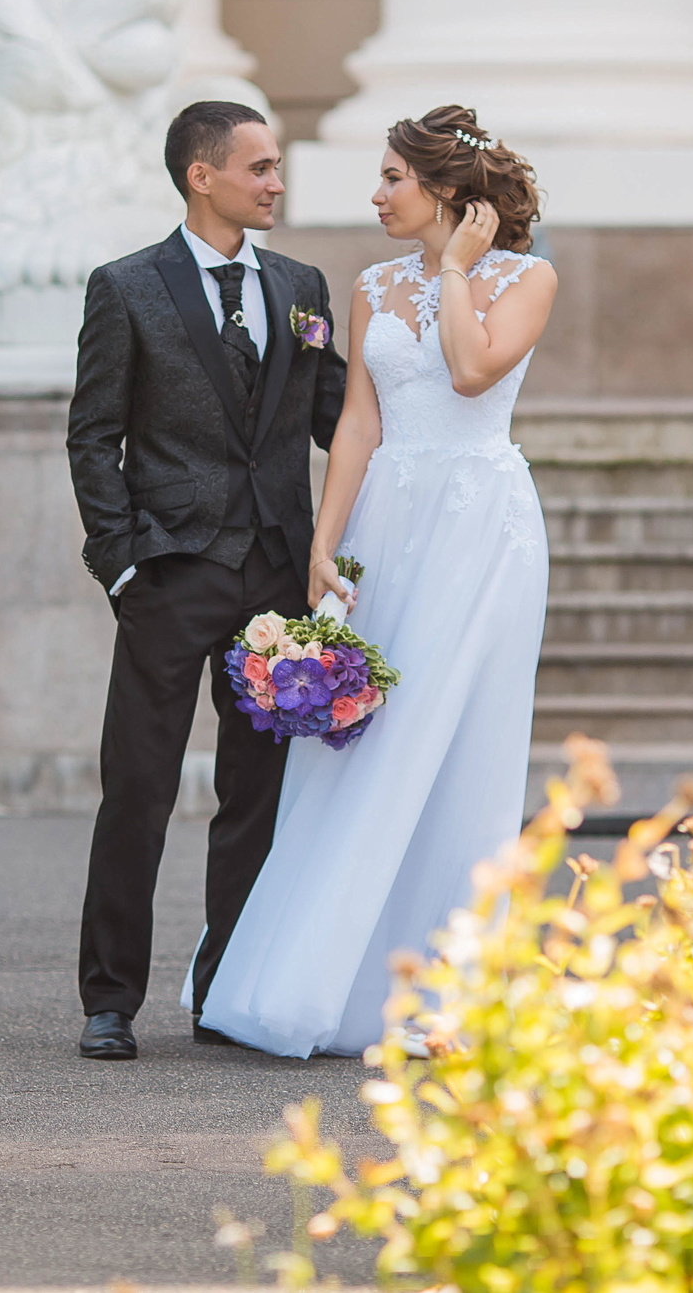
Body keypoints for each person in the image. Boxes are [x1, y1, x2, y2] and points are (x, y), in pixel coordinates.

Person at [195, 105, 557, 1059]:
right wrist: (327, 543)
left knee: (465, 748)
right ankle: (324, 979)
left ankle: (451, 993)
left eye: (394, 176)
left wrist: (453, 272)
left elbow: (474, 371)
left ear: (445, 189)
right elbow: (358, 422)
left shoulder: (529, 278)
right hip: (388, 523)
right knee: (360, 742)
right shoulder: (368, 286)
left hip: (484, 525)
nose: (377, 193)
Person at [65, 99, 347, 1062]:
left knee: (255, 793)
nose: (276, 182)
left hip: (275, 579)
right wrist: (125, 561)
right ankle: (109, 998)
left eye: (276, 168)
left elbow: (339, 420)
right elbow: (92, 434)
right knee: (137, 787)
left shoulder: (303, 285)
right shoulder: (127, 287)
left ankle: (225, 987)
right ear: (203, 175)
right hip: (171, 576)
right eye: (261, 167)